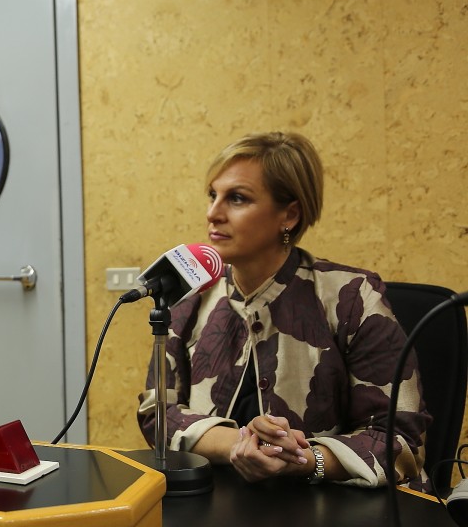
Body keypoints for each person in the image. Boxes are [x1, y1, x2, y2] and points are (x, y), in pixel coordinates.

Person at [136, 131, 430, 488]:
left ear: (289, 214)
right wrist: (241, 444)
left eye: (237, 198)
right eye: (213, 196)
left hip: (332, 510)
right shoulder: (193, 297)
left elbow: (399, 438)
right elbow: (157, 413)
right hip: (216, 505)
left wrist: (304, 460)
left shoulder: (353, 297)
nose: (213, 214)